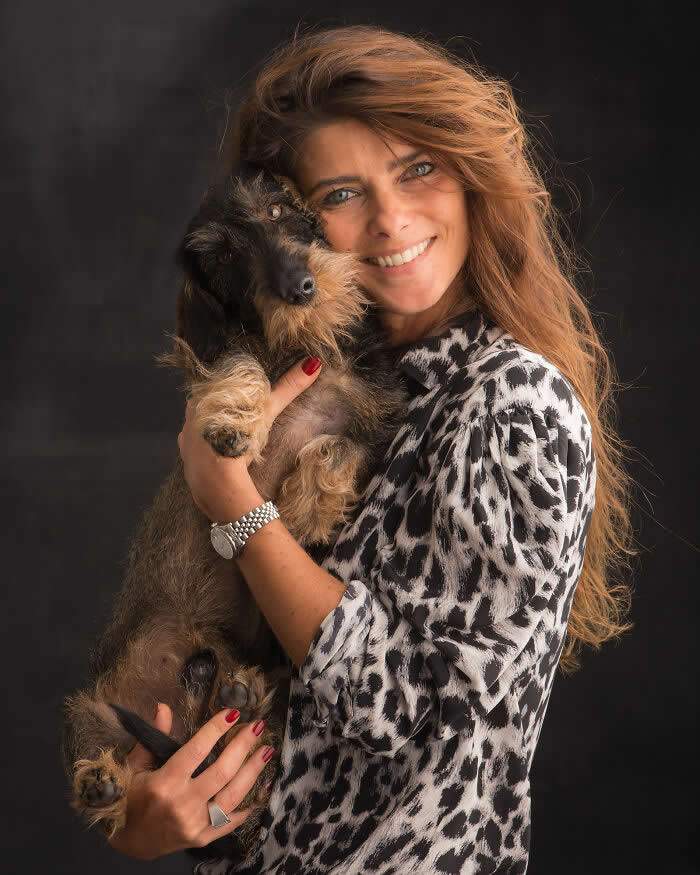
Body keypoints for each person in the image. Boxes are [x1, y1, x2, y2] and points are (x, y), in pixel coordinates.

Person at [109, 24, 633, 874]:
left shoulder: (513, 402)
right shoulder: (328, 396)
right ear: (291, 226)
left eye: (417, 168)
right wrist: (153, 818)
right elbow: (263, 712)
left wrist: (238, 508)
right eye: (344, 194)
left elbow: (392, 705)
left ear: (468, 176)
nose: (391, 220)